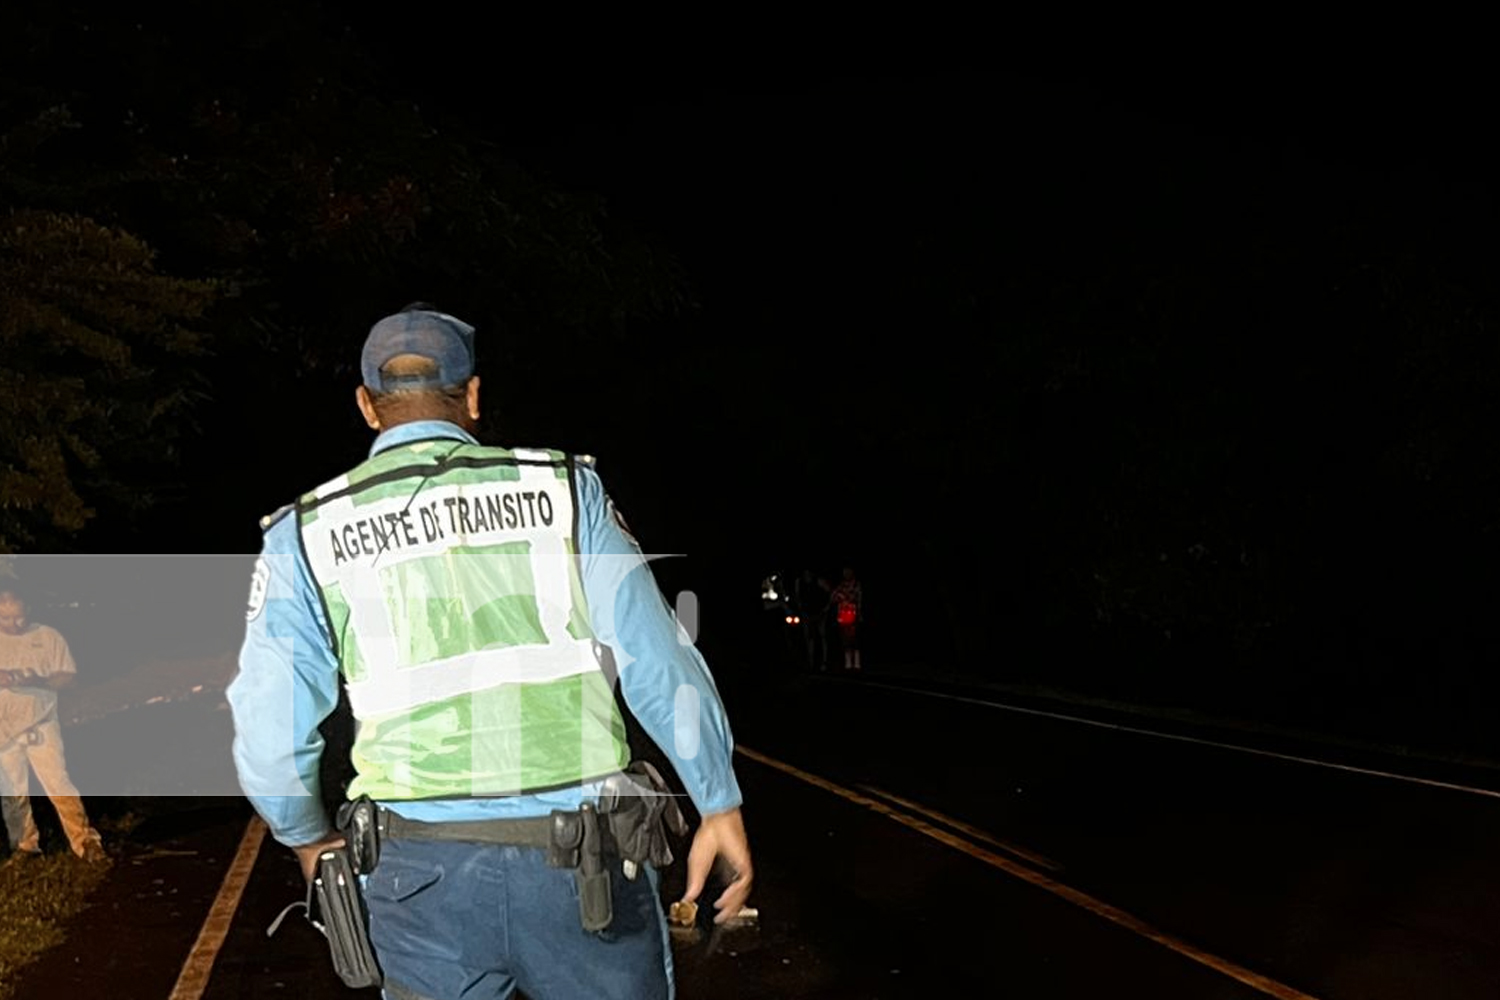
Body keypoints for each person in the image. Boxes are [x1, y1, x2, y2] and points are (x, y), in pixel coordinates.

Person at [226, 305, 752, 1000]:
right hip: (584, 873)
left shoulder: (305, 533)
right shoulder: (566, 491)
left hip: (417, 880)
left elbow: (268, 724)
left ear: (366, 406)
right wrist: (717, 800)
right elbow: (658, 659)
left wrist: (304, 838)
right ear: (473, 396)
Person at [0, 587, 108, 865]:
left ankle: (85, 841)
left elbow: (69, 679)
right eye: (6, 619)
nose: (14, 624)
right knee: (13, 794)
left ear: (29, 610)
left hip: (41, 723)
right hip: (4, 730)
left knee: (58, 784)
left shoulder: (48, 637)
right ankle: (25, 846)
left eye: (19, 617)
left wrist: (35, 680)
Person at [791, 570, 830, 672]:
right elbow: (797, 596)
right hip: (807, 614)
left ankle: (824, 662)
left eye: (809, 573)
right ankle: (811, 663)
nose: (807, 575)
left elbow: (830, 592)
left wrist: (826, 608)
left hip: (820, 613)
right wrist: (801, 610)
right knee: (809, 638)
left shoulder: (818, 581)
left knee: (822, 636)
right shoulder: (799, 582)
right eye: (805, 573)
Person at [829, 566, 863, 671]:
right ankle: (848, 663)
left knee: (855, 638)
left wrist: (859, 613)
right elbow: (833, 598)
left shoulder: (857, 584)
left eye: (848, 572)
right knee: (845, 638)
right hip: (842, 616)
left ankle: (856, 663)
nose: (846, 574)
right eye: (844, 572)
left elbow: (858, 599)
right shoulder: (840, 586)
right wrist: (839, 597)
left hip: (853, 614)